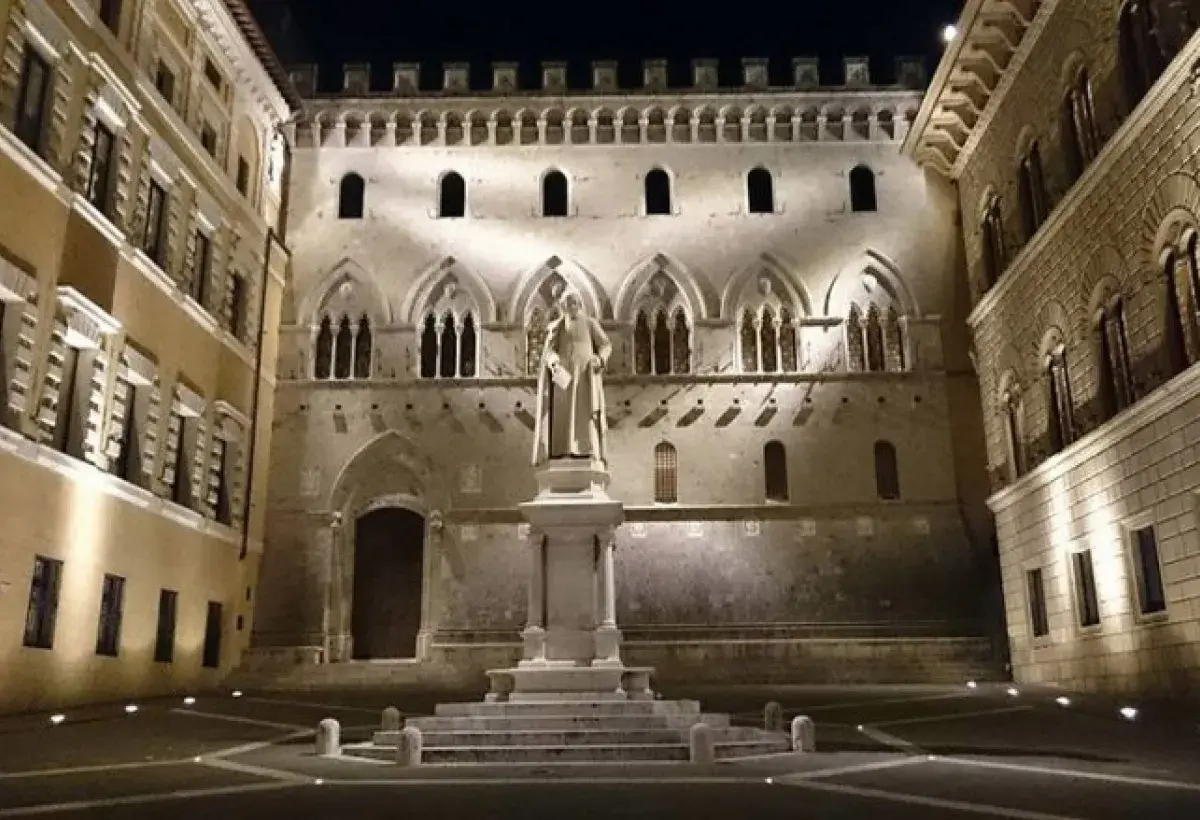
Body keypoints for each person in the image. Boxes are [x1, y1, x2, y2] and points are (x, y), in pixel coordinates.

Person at [531, 291, 612, 465]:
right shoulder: (558, 325)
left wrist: (600, 358)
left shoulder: (590, 323)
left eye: (575, 302)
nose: (572, 306)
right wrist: (553, 362)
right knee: (562, 413)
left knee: (585, 412)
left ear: (580, 305)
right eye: (568, 303)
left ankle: (587, 449)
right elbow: (549, 350)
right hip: (564, 377)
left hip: (585, 376)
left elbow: (605, 344)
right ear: (563, 307)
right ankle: (563, 450)